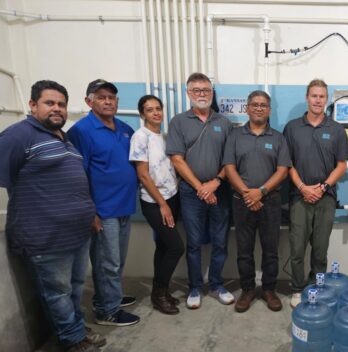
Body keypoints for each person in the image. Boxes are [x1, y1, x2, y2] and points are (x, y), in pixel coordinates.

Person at [0, 80, 105, 352]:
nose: (56, 108)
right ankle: (71, 340)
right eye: (49, 103)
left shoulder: (62, 137)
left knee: (73, 287)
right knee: (56, 292)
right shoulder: (18, 135)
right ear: (33, 105)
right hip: (44, 236)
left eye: (61, 103)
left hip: (76, 233)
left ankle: (76, 329)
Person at [68, 79, 140, 327]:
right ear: (89, 101)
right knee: (107, 262)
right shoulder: (81, 131)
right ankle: (107, 311)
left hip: (124, 207)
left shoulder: (125, 129)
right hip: (102, 211)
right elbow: (77, 176)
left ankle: (110, 298)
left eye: (112, 97)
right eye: (101, 97)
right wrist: (90, 211)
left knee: (115, 261)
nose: (108, 101)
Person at [166, 72, 234, 309]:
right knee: (193, 243)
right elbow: (176, 159)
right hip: (190, 192)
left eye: (206, 90)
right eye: (196, 90)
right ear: (188, 93)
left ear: (212, 93)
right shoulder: (178, 122)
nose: (202, 94)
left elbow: (231, 162)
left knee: (220, 241)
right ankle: (195, 287)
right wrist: (200, 188)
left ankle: (216, 284)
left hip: (219, 190)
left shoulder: (224, 123)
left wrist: (214, 183)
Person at [284, 79, 348, 308]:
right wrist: (303, 188)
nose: (317, 100)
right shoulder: (292, 128)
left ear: (327, 99)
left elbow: (341, 165)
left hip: (326, 197)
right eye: (314, 96)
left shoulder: (336, 129)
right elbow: (287, 163)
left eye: (322, 96)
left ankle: (317, 288)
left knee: (320, 249)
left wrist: (322, 187)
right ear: (307, 97)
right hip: (299, 197)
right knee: (297, 248)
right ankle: (296, 288)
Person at [223, 90, 291, 313]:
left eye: (263, 105)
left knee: (271, 250)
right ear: (247, 108)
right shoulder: (234, 136)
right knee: (244, 250)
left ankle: (269, 290)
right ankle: (248, 290)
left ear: (269, 110)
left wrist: (260, 192)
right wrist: (247, 193)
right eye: (255, 104)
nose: (259, 108)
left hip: (270, 202)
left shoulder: (278, 138)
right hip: (241, 201)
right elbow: (229, 168)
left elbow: (282, 171)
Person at [129, 95, 185, 315]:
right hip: (154, 201)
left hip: (172, 195)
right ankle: (159, 295)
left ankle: (161, 291)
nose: (156, 113)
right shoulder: (140, 137)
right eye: (150, 110)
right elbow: (142, 175)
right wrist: (162, 204)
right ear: (142, 114)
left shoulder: (162, 136)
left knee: (163, 247)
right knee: (175, 247)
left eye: (158, 108)